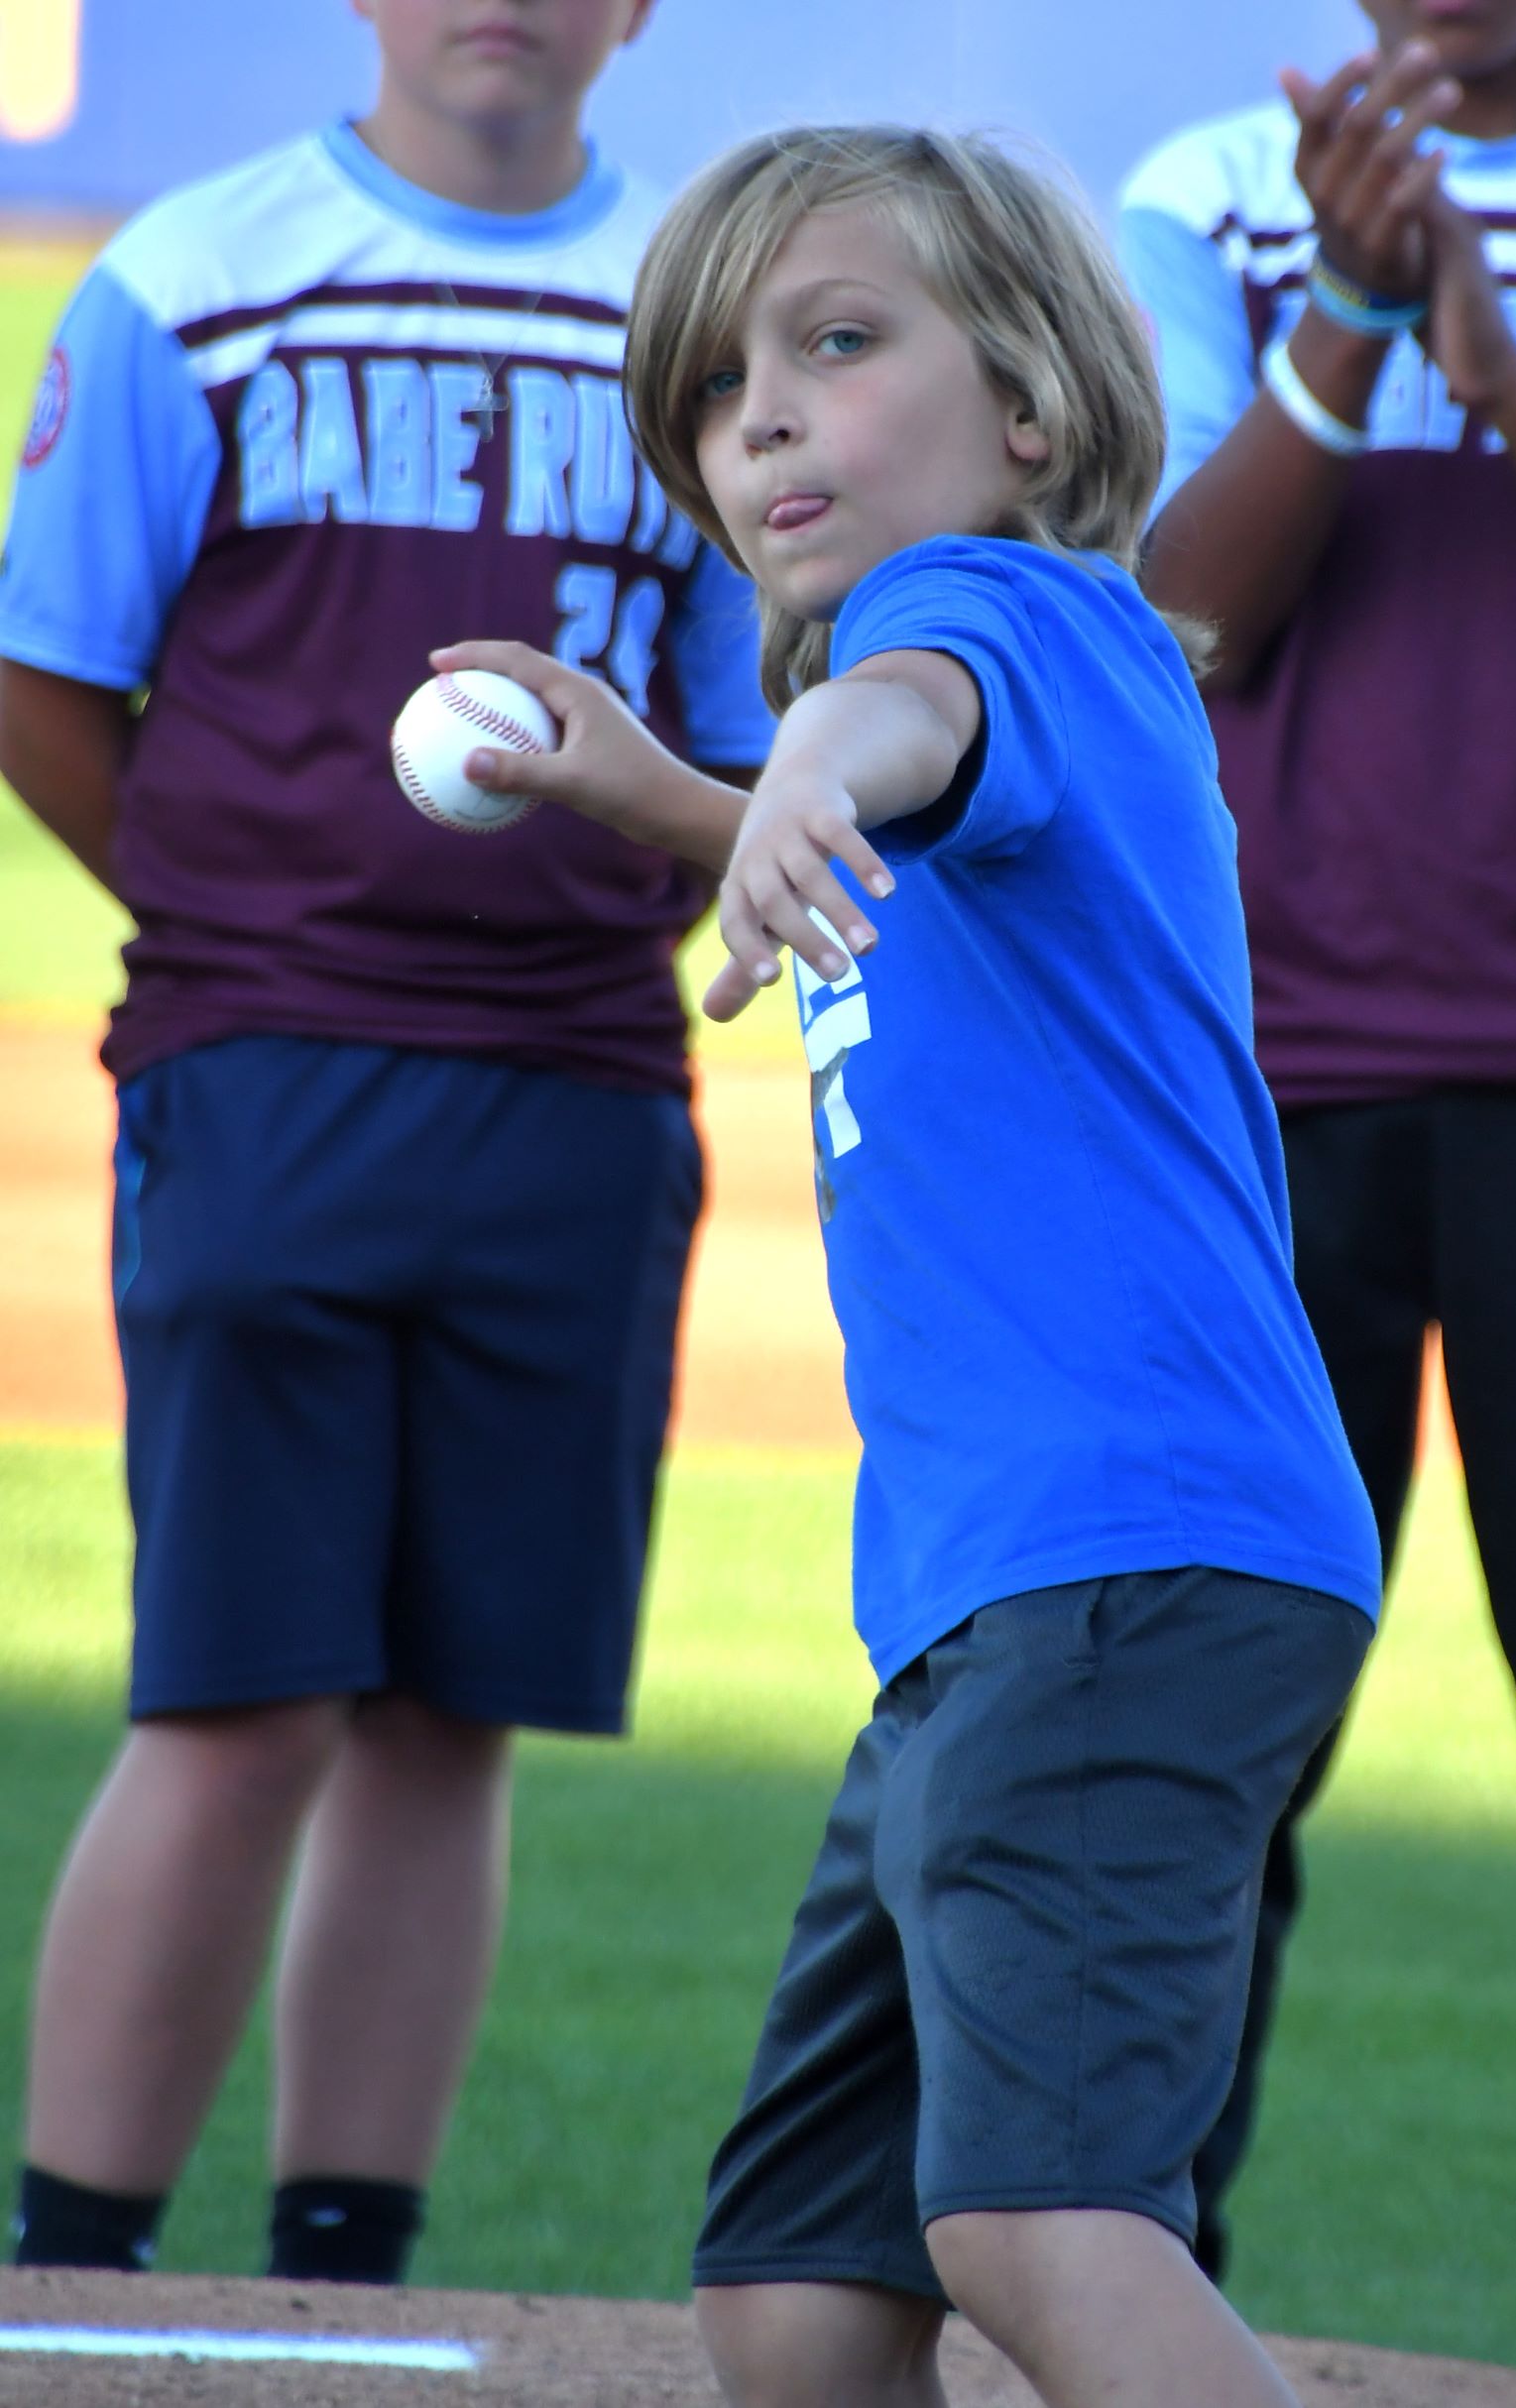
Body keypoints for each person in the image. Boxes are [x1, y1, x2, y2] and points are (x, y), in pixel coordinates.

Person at [437, 123, 1383, 2408]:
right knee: (802, 2283)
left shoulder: (1001, 619)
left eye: (836, 344)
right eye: (711, 388)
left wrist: (792, 768)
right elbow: (885, 796)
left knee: (1038, 2219)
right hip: (986, 1595)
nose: (757, 413)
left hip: (1118, 1554)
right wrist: (687, 789)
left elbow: (898, 728)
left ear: (1029, 412)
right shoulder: (963, 720)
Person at [0, 0, 770, 2285]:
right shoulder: (195, 275)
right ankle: (71, 2272)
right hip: (269, 1079)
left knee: (454, 1710)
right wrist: (245, 935)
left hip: (580, 1083)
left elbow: (739, 747)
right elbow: (48, 669)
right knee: (239, 1693)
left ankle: (344, 2273)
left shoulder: (699, 320)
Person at [1116, 4, 1516, 2393]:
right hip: (1263, 1080)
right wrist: (1353, 321)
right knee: (1196, 1732)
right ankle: (1120, 2285)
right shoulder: (1201, 200)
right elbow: (1179, 604)